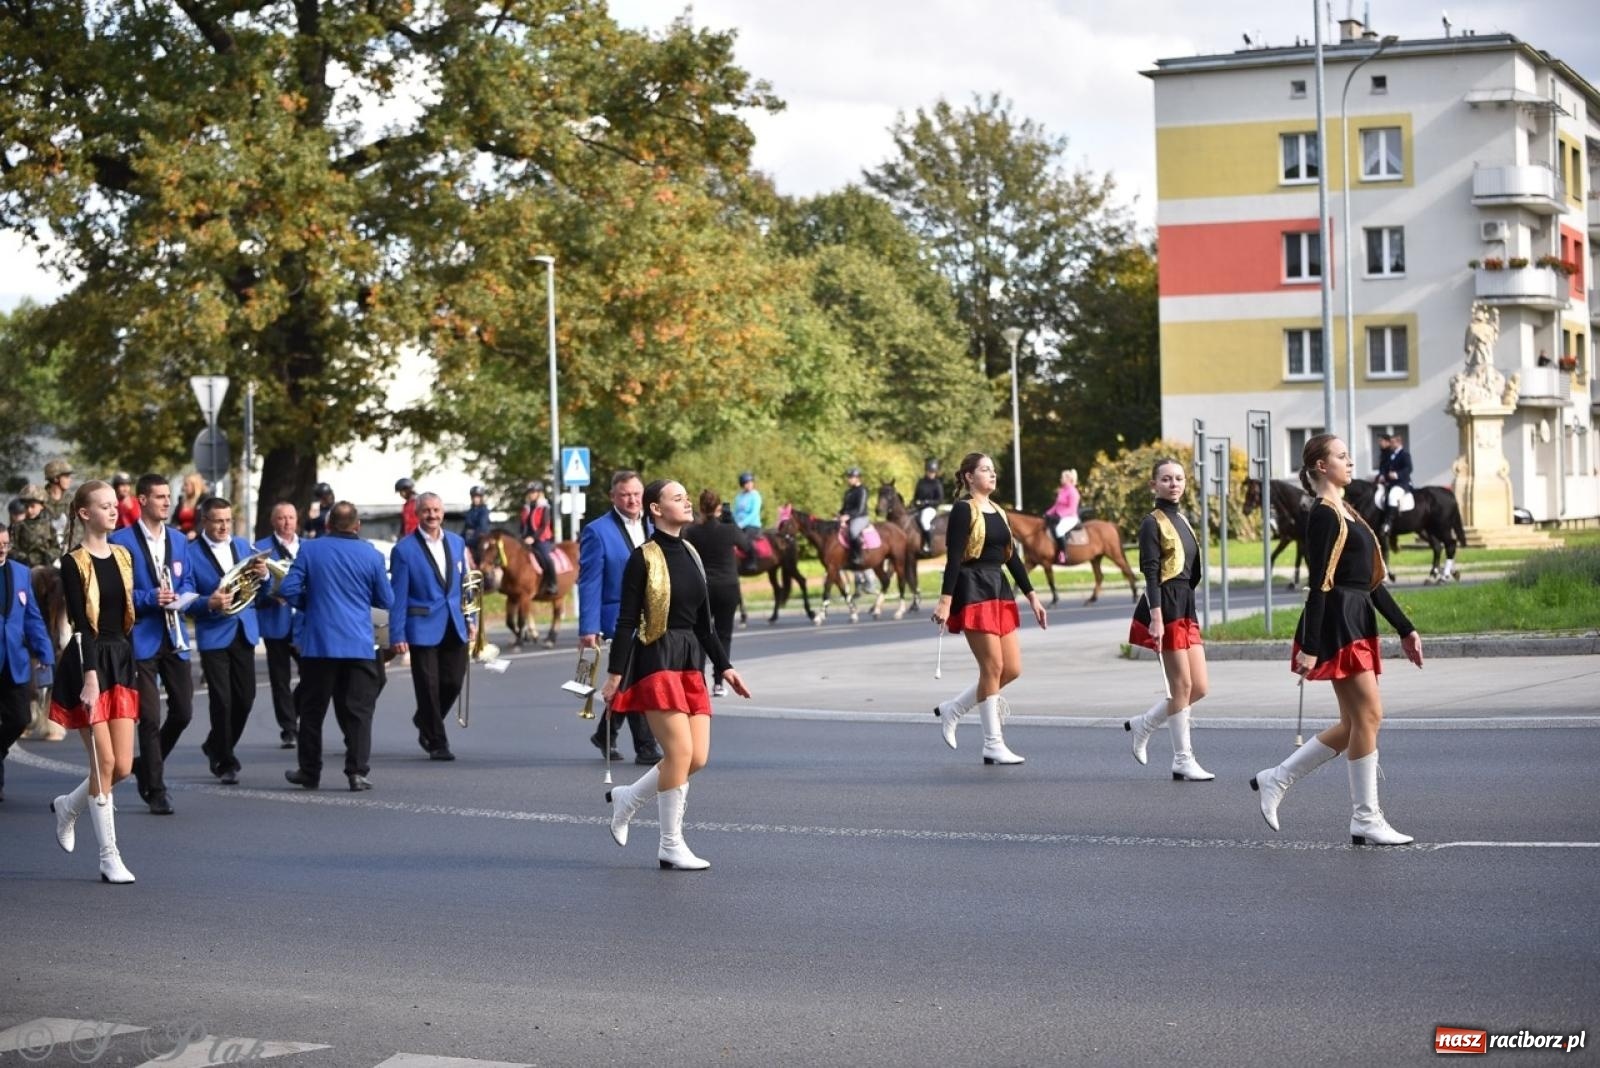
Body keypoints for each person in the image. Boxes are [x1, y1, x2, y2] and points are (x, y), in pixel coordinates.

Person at [1251, 434, 1424, 845]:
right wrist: (1310, 646)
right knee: (1369, 717)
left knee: (1355, 722)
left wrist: (1405, 627)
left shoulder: (1346, 510)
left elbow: (1371, 582)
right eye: (1342, 456)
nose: (1350, 462)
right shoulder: (1325, 514)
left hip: (1356, 617)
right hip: (1338, 623)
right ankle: (1365, 817)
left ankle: (1278, 778)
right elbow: (1319, 585)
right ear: (1321, 467)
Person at [601, 479, 751, 870]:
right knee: (679, 753)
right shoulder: (643, 558)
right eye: (677, 498)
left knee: (696, 757)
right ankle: (670, 844)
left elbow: (705, 624)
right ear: (655, 509)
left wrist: (726, 666)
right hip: (656, 658)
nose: (686, 502)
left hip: (690, 660)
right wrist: (615, 673)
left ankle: (628, 798)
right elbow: (626, 621)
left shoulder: (691, 552)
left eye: (686, 497)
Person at [47, 480, 140, 883]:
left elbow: (127, 613)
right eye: (104, 506)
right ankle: (108, 856)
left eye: (114, 505)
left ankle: (68, 805)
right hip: (88, 662)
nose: (113, 511)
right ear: (85, 514)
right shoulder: (72, 561)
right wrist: (89, 677)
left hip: (120, 657)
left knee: (122, 765)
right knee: (102, 762)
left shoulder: (123, 555)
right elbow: (81, 624)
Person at [929, 453, 1047, 764]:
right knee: (992, 667)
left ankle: (954, 708)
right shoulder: (962, 510)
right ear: (969, 477)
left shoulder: (999, 511)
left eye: (993, 470)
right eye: (985, 470)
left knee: (1012, 669)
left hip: (999, 589)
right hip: (973, 588)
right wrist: (945, 601)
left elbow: (1012, 558)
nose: (992, 475)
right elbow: (954, 558)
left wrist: (1032, 595)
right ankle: (992, 743)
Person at [279, 501, 393, 792]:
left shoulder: (311, 549)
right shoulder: (372, 554)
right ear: (357, 526)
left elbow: (289, 588)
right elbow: (386, 601)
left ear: (328, 524)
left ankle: (310, 771)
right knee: (359, 711)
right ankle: (356, 772)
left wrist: (312, 605)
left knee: (313, 711)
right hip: (359, 642)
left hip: (320, 643)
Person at [109, 473, 198, 816]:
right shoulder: (122, 541)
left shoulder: (178, 539)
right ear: (142, 500)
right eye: (159, 496)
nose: (166, 502)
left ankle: (145, 765)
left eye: (168, 496)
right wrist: (150, 598)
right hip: (142, 638)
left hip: (175, 636)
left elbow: (187, 578)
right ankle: (155, 789)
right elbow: (117, 592)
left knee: (184, 712)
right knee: (149, 716)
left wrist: (183, 595)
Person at [1123, 458, 1214, 782]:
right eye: (1166, 479)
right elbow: (1150, 572)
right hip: (1166, 605)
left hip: (1186, 605)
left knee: (1199, 687)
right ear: (1154, 485)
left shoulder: (1183, 520)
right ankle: (1182, 759)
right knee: (1181, 686)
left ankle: (1145, 724)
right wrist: (1157, 617)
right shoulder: (1152, 522)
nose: (1173, 484)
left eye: (1178, 478)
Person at [579, 470, 662, 765]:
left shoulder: (655, 525)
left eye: (636, 494)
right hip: (618, 617)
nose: (632, 499)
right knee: (636, 677)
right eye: (625, 494)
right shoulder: (597, 531)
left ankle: (605, 733)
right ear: (613, 496)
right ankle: (646, 746)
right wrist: (588, 627)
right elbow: (590, 581)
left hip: (652, 617)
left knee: (629, 679)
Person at [390, 491, 472, 761]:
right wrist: (397, 633)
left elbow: (464, 585)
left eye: (436, 510)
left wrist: (470, 620)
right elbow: (398, 595)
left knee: (453, 681)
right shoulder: (403, 549)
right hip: (420, 625)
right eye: (426, 510)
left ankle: (424, 718)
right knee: (428, 686)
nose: (432, 515)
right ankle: (437, 742)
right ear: (417, 513)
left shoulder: (458, 542)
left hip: (454, 622)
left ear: (443, 512)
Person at [190, 495, 263, 785]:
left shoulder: (243, 545)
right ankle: (224, 759)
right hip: (213, 632)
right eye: (218, 521)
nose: (224, 526)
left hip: (243, 628)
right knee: (222, 700)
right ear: (204, 521)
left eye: (228, 520)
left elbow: (258, 584)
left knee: (245, 698)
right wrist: (209, 602)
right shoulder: (190, 552)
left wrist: (264, 573)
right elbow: (187, 595)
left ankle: (214, 744)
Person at [0, 526, 56, 803]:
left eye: (6, 544)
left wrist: (45, 652)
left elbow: (32, 616)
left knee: (19, 719)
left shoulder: (20, 573)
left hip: (15, 661)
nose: (2, 548)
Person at [683, 489, 752, 699]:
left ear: (701, 508)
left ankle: (699, 681)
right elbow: (748, 546)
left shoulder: (693, 532)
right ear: (719, 508)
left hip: (703, 587)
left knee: (703, 633)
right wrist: (732, 524)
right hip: (728, 586)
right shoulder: (729, 530)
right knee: (724, 635)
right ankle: (719, 683)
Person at [255, 501, 302, 748]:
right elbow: (252, 590)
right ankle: (289, 728)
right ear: (274, 521)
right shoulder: (261, 549)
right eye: (281, 518)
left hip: (303, 623)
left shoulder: (307, 546)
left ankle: (293, 710)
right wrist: (270, 595)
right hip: (276, 621)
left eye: (291, 517)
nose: (287, 522)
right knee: (280, 678)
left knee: (314, 675)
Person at [1373, 428, 1413, 544]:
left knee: (1392, 496)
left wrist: (1397, 474)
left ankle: (1388, 523)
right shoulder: (1392, 455)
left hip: (1402, 483)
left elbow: (1409, 469)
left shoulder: (1405, 455)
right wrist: (1382, 476)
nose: (1391, 444)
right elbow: (1385, 469)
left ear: (1399, 442)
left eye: (1393, 442)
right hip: (1390, 483)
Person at [519, 481, 558, 596]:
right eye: (530, 492)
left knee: (546, 558)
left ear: (539, 493)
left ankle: (553, 583)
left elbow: (544, 525)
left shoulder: (544, 507)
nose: (531, 494)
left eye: (534, 492)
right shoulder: (526, 508)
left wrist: (533, 538)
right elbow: (523, 525)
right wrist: (522, 536)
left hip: (542, 539)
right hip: (526, 539)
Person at [11, 484, 59, 568]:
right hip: (24, 568)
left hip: (45, 569)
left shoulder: (49, 526)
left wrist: (48, 556)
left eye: (33, 506)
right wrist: (24, 557)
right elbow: (11, 548)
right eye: (26, 506)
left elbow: (56, 548)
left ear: (42, 506)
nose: (29, 510)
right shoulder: (17, 527)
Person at [1044, 468, 1082, 563]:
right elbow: (1057, 505)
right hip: (1060, 516)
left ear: (1068, 479)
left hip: (1070, 518)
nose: (1060, 479)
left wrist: (1059, 515)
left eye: (1062, 477)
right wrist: (1047, 513)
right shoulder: (1062, 490)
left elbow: (1072, 509)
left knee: (1059, 530)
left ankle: (1063, 553)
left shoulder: (1073, 492)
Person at [911, 459, 945, 555]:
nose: (931, 474)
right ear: (926, 471)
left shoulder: (937, 483)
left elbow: (940, 500)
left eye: (933, 472)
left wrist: (926, 502)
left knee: (924, 521)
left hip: (930, 509)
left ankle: (928, 545)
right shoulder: (921, 482)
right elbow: (915, 496)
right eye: (930, 472)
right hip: (918, 508)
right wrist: (914, 502)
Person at [838, 466, 870, 568]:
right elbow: (844, 508)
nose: (849, 479)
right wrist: (839, 515)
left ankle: (858, 556)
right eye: (849, 477)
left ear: (857, 478)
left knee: (853, 531)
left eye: (851, 477)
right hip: (848, 517)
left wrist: (848, 516)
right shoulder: (848, 492)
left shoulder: (862, 490)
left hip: (860, 517)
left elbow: (860, 509)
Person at [40, 458, 73, 545]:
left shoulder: (72, 501)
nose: (70, 480)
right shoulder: (39, 500)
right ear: (55, 478)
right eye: (66, 477)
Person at [174, 471, 206, 539]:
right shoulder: (181, 500)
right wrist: (176, 527)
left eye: (186, 485)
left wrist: (195, 532)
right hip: (181, 536)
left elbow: (204, 521)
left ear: (195, 485)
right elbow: (174, 519)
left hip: (197, 537)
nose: (184, 488)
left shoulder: (203, 500)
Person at [461, 485, 492, 550]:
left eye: (477, 497)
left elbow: (482, 527)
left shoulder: (484, 511)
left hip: (479, 540)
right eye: (473, 497)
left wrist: (469, 541)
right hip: (468, 539)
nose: (475, 499)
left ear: (481, 498)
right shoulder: (470, 511)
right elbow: (466, 527)